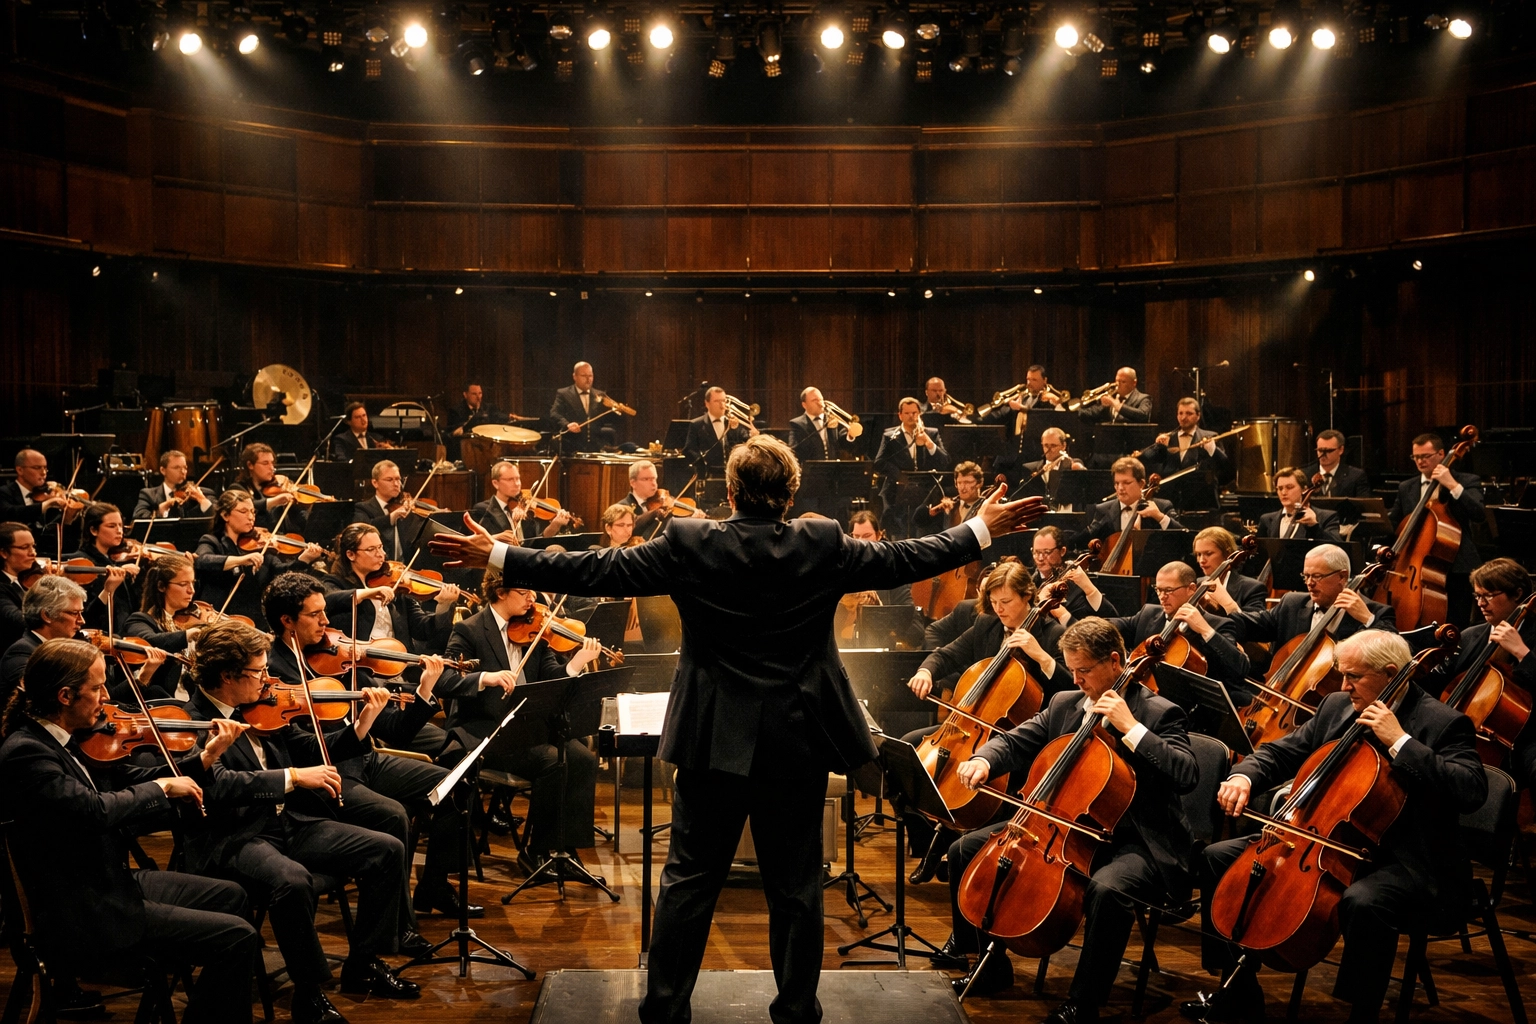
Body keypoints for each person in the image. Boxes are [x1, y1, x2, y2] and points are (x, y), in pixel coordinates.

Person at [425, 433, 1047, 1024]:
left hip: (710, 740)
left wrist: (502, 554)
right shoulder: (821, 540)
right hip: (797, 742)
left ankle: (665, 1009)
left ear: (729, 492)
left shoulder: (691, 541)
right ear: (792, 490)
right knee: (798, 889)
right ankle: (796, 1014)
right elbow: (903, 558)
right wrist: (981, 528)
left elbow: (598, 570)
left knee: (690, 882)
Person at [1189, 630, 1486, 1024]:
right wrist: (1245, 776)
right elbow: (1284, 751)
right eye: (1342, 674)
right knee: (1217, 858)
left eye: (1355, 677)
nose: (1343, 685)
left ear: (1391, 673)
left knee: (1364, 902)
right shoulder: (1336, 706)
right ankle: (1238, 989)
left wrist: (1400, 741)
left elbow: (1471, 789)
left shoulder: (1442, 722)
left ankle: (1361, 1012)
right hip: (1325, 839)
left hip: (1407, 857)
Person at [946, 617, 1198, 1022]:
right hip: (1065, 827)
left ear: (1115, 662)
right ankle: (989, 965)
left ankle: (1084, 1001)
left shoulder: (1159, 712)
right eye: (1072, 668)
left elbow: (1186, 774)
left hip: (1137, 838)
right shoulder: (1065, 703)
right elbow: (1016, 739)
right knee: (964, 850)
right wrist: (983, 759)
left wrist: (1130, 729)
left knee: (1108, 890)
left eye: (1084, 670)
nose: (1076, 679)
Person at [0, 637, 260, 1024]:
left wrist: (205, 758)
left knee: (232, 896)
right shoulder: (27, 751)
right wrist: (162, 789)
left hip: (106, 880)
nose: (107, 697)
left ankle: (190, 1001)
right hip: (80, 909)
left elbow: (134, 777)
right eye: (98, 687)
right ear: (66, 695)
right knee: (238, 936)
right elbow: (95, 811)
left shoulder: (69, 741)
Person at [181, 620, 418, 1022]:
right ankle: (308, 994)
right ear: (227, 676)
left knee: (386, 848)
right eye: (259, 672)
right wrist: (292, 778)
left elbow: (311, 749)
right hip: (236, 836)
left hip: (289, 823)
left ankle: (363, 963)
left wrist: (363, 723)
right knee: (292, 881)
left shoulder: (260, 707)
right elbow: (218, 784)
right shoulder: (191, 721)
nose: (268, 678)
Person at [261, 572, 469, 934]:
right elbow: (307, 749)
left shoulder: (339, 659)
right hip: (324, 776)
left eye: (326, 612)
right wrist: (359, 725)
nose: (327, 622)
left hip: (363, 759)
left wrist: (423, 691)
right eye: (316, 615)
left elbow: (396, 729)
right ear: (287, 621)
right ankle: (398, 927)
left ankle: (434, 884)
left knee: (455, 783)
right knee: (393, 815)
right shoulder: (273, 674)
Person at [903, 557, 1073, 883]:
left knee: (981, 774)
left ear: (1028, 596)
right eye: (994, 602)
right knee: (910, 747)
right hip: (975, 724)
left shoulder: (1053, 634)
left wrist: (1042, 656)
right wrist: (927, 670)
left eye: (1006, 601)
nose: (999, 609)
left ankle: (960, 845)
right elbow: (949, 653)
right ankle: (931, 840)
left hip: (1027, 736)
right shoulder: (988, 624)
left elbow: (1069, 693)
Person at [437, 571, 603, 874]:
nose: (533, 599)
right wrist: (485, 678)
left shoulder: (533, 632)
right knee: (555, 762)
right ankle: (535, 852)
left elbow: (552, 678)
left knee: (582, 758)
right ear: (500, 592)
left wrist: (576, 664)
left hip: (528, 727)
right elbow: (445, 679)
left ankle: (564, 848)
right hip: (487, 730)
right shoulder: (469, 630)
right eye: (525, 593)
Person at [1206, 544, 1396, 674]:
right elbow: (1252, 625)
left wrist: (1367, 619)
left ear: (1342, 576)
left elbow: (1396, 655)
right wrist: (1211, 614)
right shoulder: (1292, 603)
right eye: (1306, 576)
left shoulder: (1376, 612)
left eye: (1317, 576)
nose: (1309, 584)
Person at [1103, 561, 1253, 702]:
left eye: (1169, 590)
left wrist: (1205, 629)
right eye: (1158, 589)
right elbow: (1112, 626)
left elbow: (1240, 668)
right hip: (1140, 700)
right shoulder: (1148, 614)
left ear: (1192, 589)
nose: (1162, 597)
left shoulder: (1218, 624)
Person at [1388, 432, 1485, 628]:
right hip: (1417, 564)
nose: (1420, 461)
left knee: (1456, 622)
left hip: (1455, 563)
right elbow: (1395, 523)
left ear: (1441, 454)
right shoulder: (1407, 487)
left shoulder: (1467, 481)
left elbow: (1479, 514)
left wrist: (1452, 485)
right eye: (1416, 457)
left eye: (1425, 456)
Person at [1424, 558, 1535, 728]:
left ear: (1518, 594)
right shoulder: (1469, 636)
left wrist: (1521, 652)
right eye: (1478, 596)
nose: (1481, 603)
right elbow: (1437, 682)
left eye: (1489, 595)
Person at [321, 523, 457, 659]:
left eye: (380, 547)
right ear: (351, 555)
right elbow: (328, 600)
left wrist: (444, 605)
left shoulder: (394, 584)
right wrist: (367, 593)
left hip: (400, 663)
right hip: (362, 664)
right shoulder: (335, 582)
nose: (382, 554)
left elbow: (422, 629)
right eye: (371, 549)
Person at [194, 490, 324, 629]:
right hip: (220, 618)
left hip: (254, 620)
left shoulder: (259, 544)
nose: (251, 517)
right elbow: (202, 560)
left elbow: (281, 574)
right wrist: (241, 560)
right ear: (225, 515)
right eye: (244, 511)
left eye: (252, 511)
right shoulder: (212, 541)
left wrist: (303, 559)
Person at [122, 553, 209, 702]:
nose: (191, 590)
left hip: (192, 701)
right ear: (161, 586)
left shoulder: (182, 622)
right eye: (183, 584)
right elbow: (149, 641)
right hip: (162, 703)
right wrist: (187, 635)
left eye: (192, 583)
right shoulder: (139, 620)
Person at [1135, 398, 1233, 511]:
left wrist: (1213, 450)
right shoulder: (1168, 438)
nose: (1183, 417)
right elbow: (1145, 458)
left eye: (1189, 413)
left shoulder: (1210, 436)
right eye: (1180, 413)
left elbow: (1225, 465)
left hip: (1201, 500)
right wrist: (1157, 445)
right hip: (1172, 501)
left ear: (1198, 416)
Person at [873, 397, 949, 537]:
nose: (911, 416)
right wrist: (900, 475)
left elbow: (944, 460)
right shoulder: (890, 436)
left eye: (914, 413)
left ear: (919, 414)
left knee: (923, 531)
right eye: (907, 413)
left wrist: (928, 442)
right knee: (899, 531)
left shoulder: (932, 433)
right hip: (898, 490)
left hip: (925, 491)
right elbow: (879, 462)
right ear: (900, 415)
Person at [1077, 457, 1182, 549]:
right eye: (1117, 483)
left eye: (1126, 483)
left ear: (1141, 484)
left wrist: (1160, 517)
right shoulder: (1103, 510)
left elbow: (1183, 538)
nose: (1120, 488)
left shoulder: (1162, 507)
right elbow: (1083, 543)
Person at [66, 502, 140, 633]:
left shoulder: (113, 562)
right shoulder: (80, 563)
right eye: (112, 526)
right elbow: (86, 616)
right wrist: (107, 590)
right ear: (93, 530)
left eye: (120, 526)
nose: (119, 531)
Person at [1030, 525, 1118, 622]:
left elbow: (1111, 618)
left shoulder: (1077, 584)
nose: (1040, 558)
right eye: (1036, 552)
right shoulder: (1030, 582)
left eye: (1047, 552)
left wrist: (1091, 590)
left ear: (1062, 551)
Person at [471, 461, 570, 542]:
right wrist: (496, 538)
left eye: (518, 479)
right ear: (496, 483)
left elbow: (535, 544)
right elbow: (474, 543)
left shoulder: (525, 510)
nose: (517, 484)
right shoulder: (483, 509)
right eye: (510, 480)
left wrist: (555, 525)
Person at [351, 460, 427, 562]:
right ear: (375, 483)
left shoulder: (405, 507)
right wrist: (391, 517)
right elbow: (362, 531)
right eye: (390, 480)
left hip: (406, 567)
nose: (396, 484)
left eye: (398, 479)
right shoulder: (363, 508)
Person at [1192, 527, 1267, 615]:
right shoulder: (1197, 584)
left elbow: (1254, 626)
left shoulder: (1252, 588)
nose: (1201, 560)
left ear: (1227, 553)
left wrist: (1227, 603)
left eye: (1208, 554)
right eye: (1198, 554)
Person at [1258, 467, 1343, 543]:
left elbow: (1337, 548)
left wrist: (1314, 526)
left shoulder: (1327, 517)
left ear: (1304, 489)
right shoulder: (1266, 520)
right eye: (1280, 488)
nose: (1283, 493)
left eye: (1289, 487)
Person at [684, 386, 758, 473]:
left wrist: (753, 437)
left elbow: (745, 443)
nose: (722, 405)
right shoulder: (696, 424)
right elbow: (689, 450)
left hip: (732, 474)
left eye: (724, 401)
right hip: (709, 475)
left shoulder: (734, 422)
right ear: (707, 404)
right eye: (717, 401)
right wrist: (702, 464)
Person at [549, 361, 618, 450]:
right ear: (575, 376)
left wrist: (618, 410)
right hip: (572, 444)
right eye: (584, 376)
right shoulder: (563, 393)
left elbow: (610, 418)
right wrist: (567, 424)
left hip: (596, 446)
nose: (588, 379)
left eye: (590, 376)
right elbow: (554, 413)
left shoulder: (600, 395)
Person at [0, 449, 75, 529]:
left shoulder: (47, 494)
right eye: (37, 467)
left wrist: (68, 518)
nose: (43, 473)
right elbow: (10, 513)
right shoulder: (4, 492)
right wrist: (46, 504)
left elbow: (53, 530)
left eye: (45, 468)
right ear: (20, 470)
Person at [1006, 427, 1083, 504]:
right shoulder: (1030, 468)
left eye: (1053, 446)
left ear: (1064, 446)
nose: (1049, 450)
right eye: (1046, 445)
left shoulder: (1073, 464)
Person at [232, 442, 300, 530]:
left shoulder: (278, 487)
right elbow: (250, 504)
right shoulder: (238, 488)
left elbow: (299, 519)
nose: (272, 468)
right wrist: (276, 501)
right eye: (265, 463)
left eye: (272, 463)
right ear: (250, 465)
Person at [133, 449, 212, 521]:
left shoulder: (201, 493)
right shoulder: (148, 495)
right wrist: (162, 508)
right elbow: (138, 516)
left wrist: (202, 499)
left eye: (185, 468)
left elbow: (217, 516)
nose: (183, 472)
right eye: (177, 467)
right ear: (163, 470)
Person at [788, 387, 856, 461]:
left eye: (821, 399)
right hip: (811, 469)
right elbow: (795, 450)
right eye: (815, 400)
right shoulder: (797, 424)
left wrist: (850, 436)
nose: (820, 403)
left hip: (833, 468)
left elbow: (844, 445)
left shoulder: (832, 418)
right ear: (804, 405)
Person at [918, 461, 987, 533]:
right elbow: (919, 522)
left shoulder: (986, 506)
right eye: (959, 483)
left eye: (967, 482)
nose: (962, 487)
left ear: (979, 483)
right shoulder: (950, 505)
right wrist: (933, 512)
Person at [1303, 429, 1371, 498]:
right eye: (1320, 450)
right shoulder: (1305, 475)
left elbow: (1364, 506)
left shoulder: (1356, 477)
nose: (1323, 455)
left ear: (1341, 450)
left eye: (1329, 451)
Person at [1, 521, 37, 651]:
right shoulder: (2, 587)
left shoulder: (22, 581)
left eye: (33, 546)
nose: (33, 553)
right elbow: (18, 619)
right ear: (4, 553)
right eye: (24, 547)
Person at [445, 382, 505, 461]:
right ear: (465, 395)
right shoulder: (456, 411)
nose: (478, 397)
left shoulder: (489, 408)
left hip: (487, 450)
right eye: (474, 394)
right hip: (464, 452)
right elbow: (451, 433)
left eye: (480, 393)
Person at [1077, 366, 1152, 426]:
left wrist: (1118, 406)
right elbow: (1093, 412)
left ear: (1134, 383)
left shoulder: (1143, 398)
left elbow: (1143, 415)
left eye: (1123, 382)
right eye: (1116, 381)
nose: (1117, 385)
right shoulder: (1113, 397)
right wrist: (1075, 410)